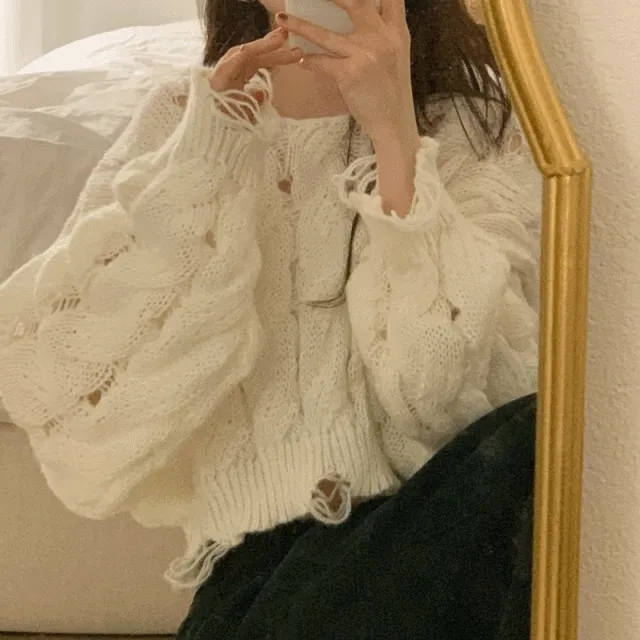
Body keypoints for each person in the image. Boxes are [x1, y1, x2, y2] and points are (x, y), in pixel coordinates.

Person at [0, 0, 541, 636]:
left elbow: (446, 403)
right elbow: (75, 407)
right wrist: (208, 160)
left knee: (538, 434)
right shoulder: (186, 120)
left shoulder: (480, 131)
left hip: (429, 541)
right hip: (259, 584)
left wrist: (396, 138)